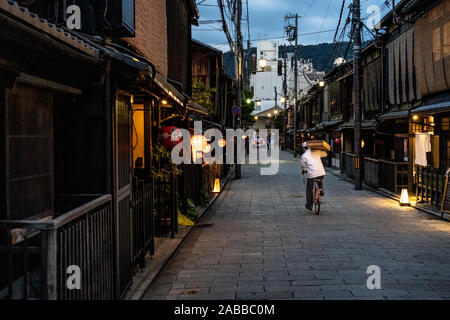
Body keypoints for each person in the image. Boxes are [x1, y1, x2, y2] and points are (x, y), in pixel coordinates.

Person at [301, 142, 327, 211]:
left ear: (304, 148)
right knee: (319, 178)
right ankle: (320, 189)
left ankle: (309, 205)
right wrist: (321, 150)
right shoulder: (316, 151)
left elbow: (303, 166)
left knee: (309, 189)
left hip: (312, 174)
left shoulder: (304, 156)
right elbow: (325, 154)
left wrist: (303, 171)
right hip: (321, 172)